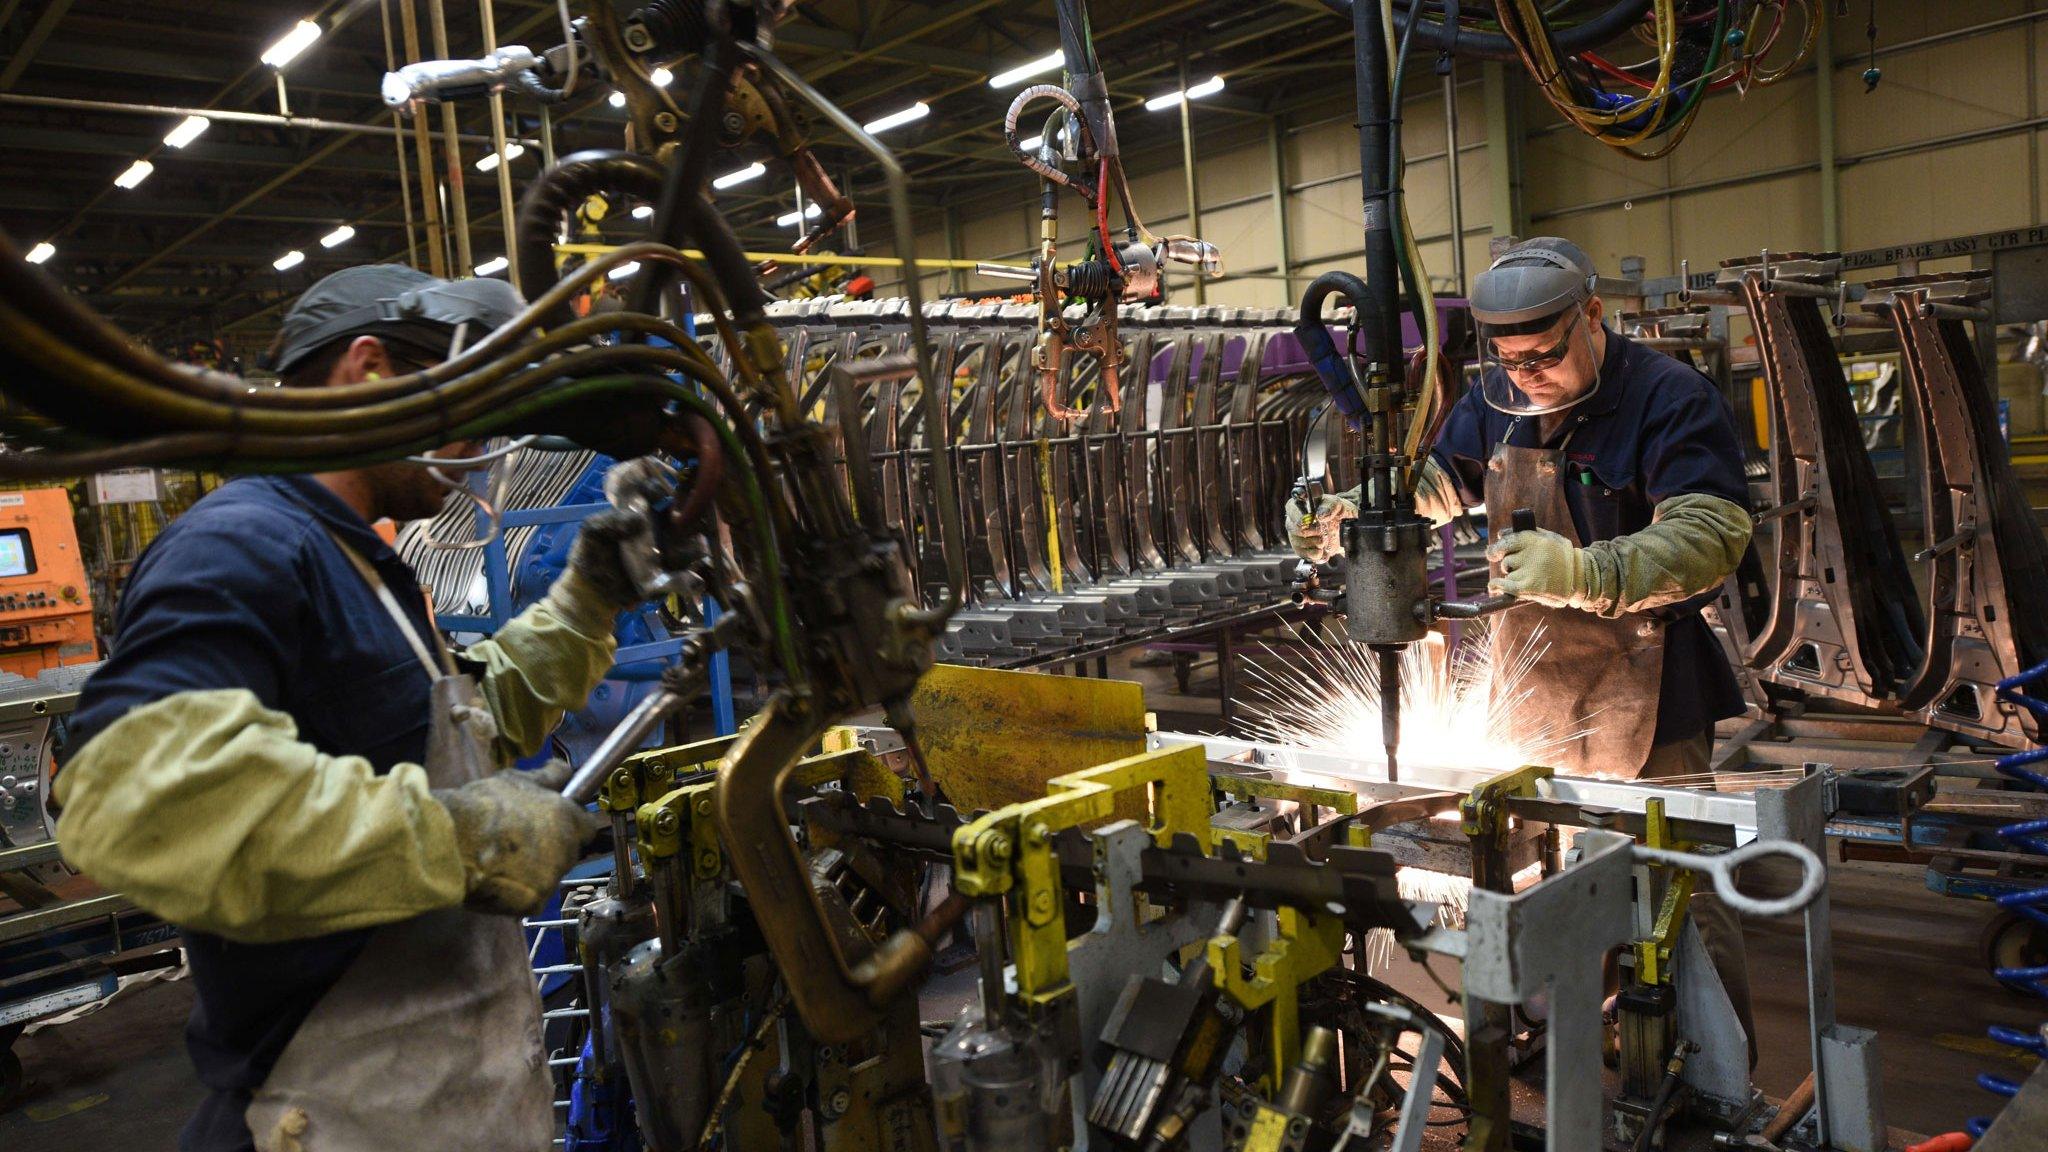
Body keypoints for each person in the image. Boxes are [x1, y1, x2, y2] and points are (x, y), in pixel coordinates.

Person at [52, 265, 660, 1152]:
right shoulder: (246, 542)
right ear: (369, 369)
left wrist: (585, 601)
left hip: (429, 1105)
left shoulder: (361, 562)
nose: (482, 441)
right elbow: (132, 795)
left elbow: (457, 724)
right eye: (467, 403)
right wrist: (457, 840)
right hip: (330, 1114)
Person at [1288, 237, 1757, 1051]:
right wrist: (1363, 514)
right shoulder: (1498, 399)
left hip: (1650, 691)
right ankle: (1590, 1037)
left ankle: (1715, 1071)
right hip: (1532, 685)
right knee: (1569, 884)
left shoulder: (1670, 399)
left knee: (1680, 895)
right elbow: (1444, 480)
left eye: (1544, 355)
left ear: (1594, 317)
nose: (1527, 376)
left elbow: (1713, 533)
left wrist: (1582, 570)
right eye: (1509, 361)